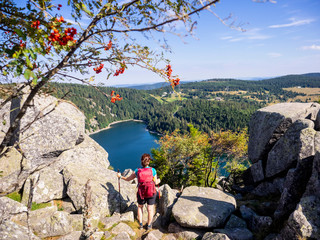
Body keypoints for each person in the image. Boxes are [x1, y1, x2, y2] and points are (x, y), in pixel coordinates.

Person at [117, 153, 160, 230]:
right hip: (151, 192)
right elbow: (156, 182)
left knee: (140, 207)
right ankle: (149, 225)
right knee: (150, 209)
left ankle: (140, 224)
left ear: (141, 161)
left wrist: (120, 176)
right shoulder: (153, 170)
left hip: (141, 193)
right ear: (149, 161)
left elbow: (128, 179)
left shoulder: (137, 171)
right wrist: (159, 180)